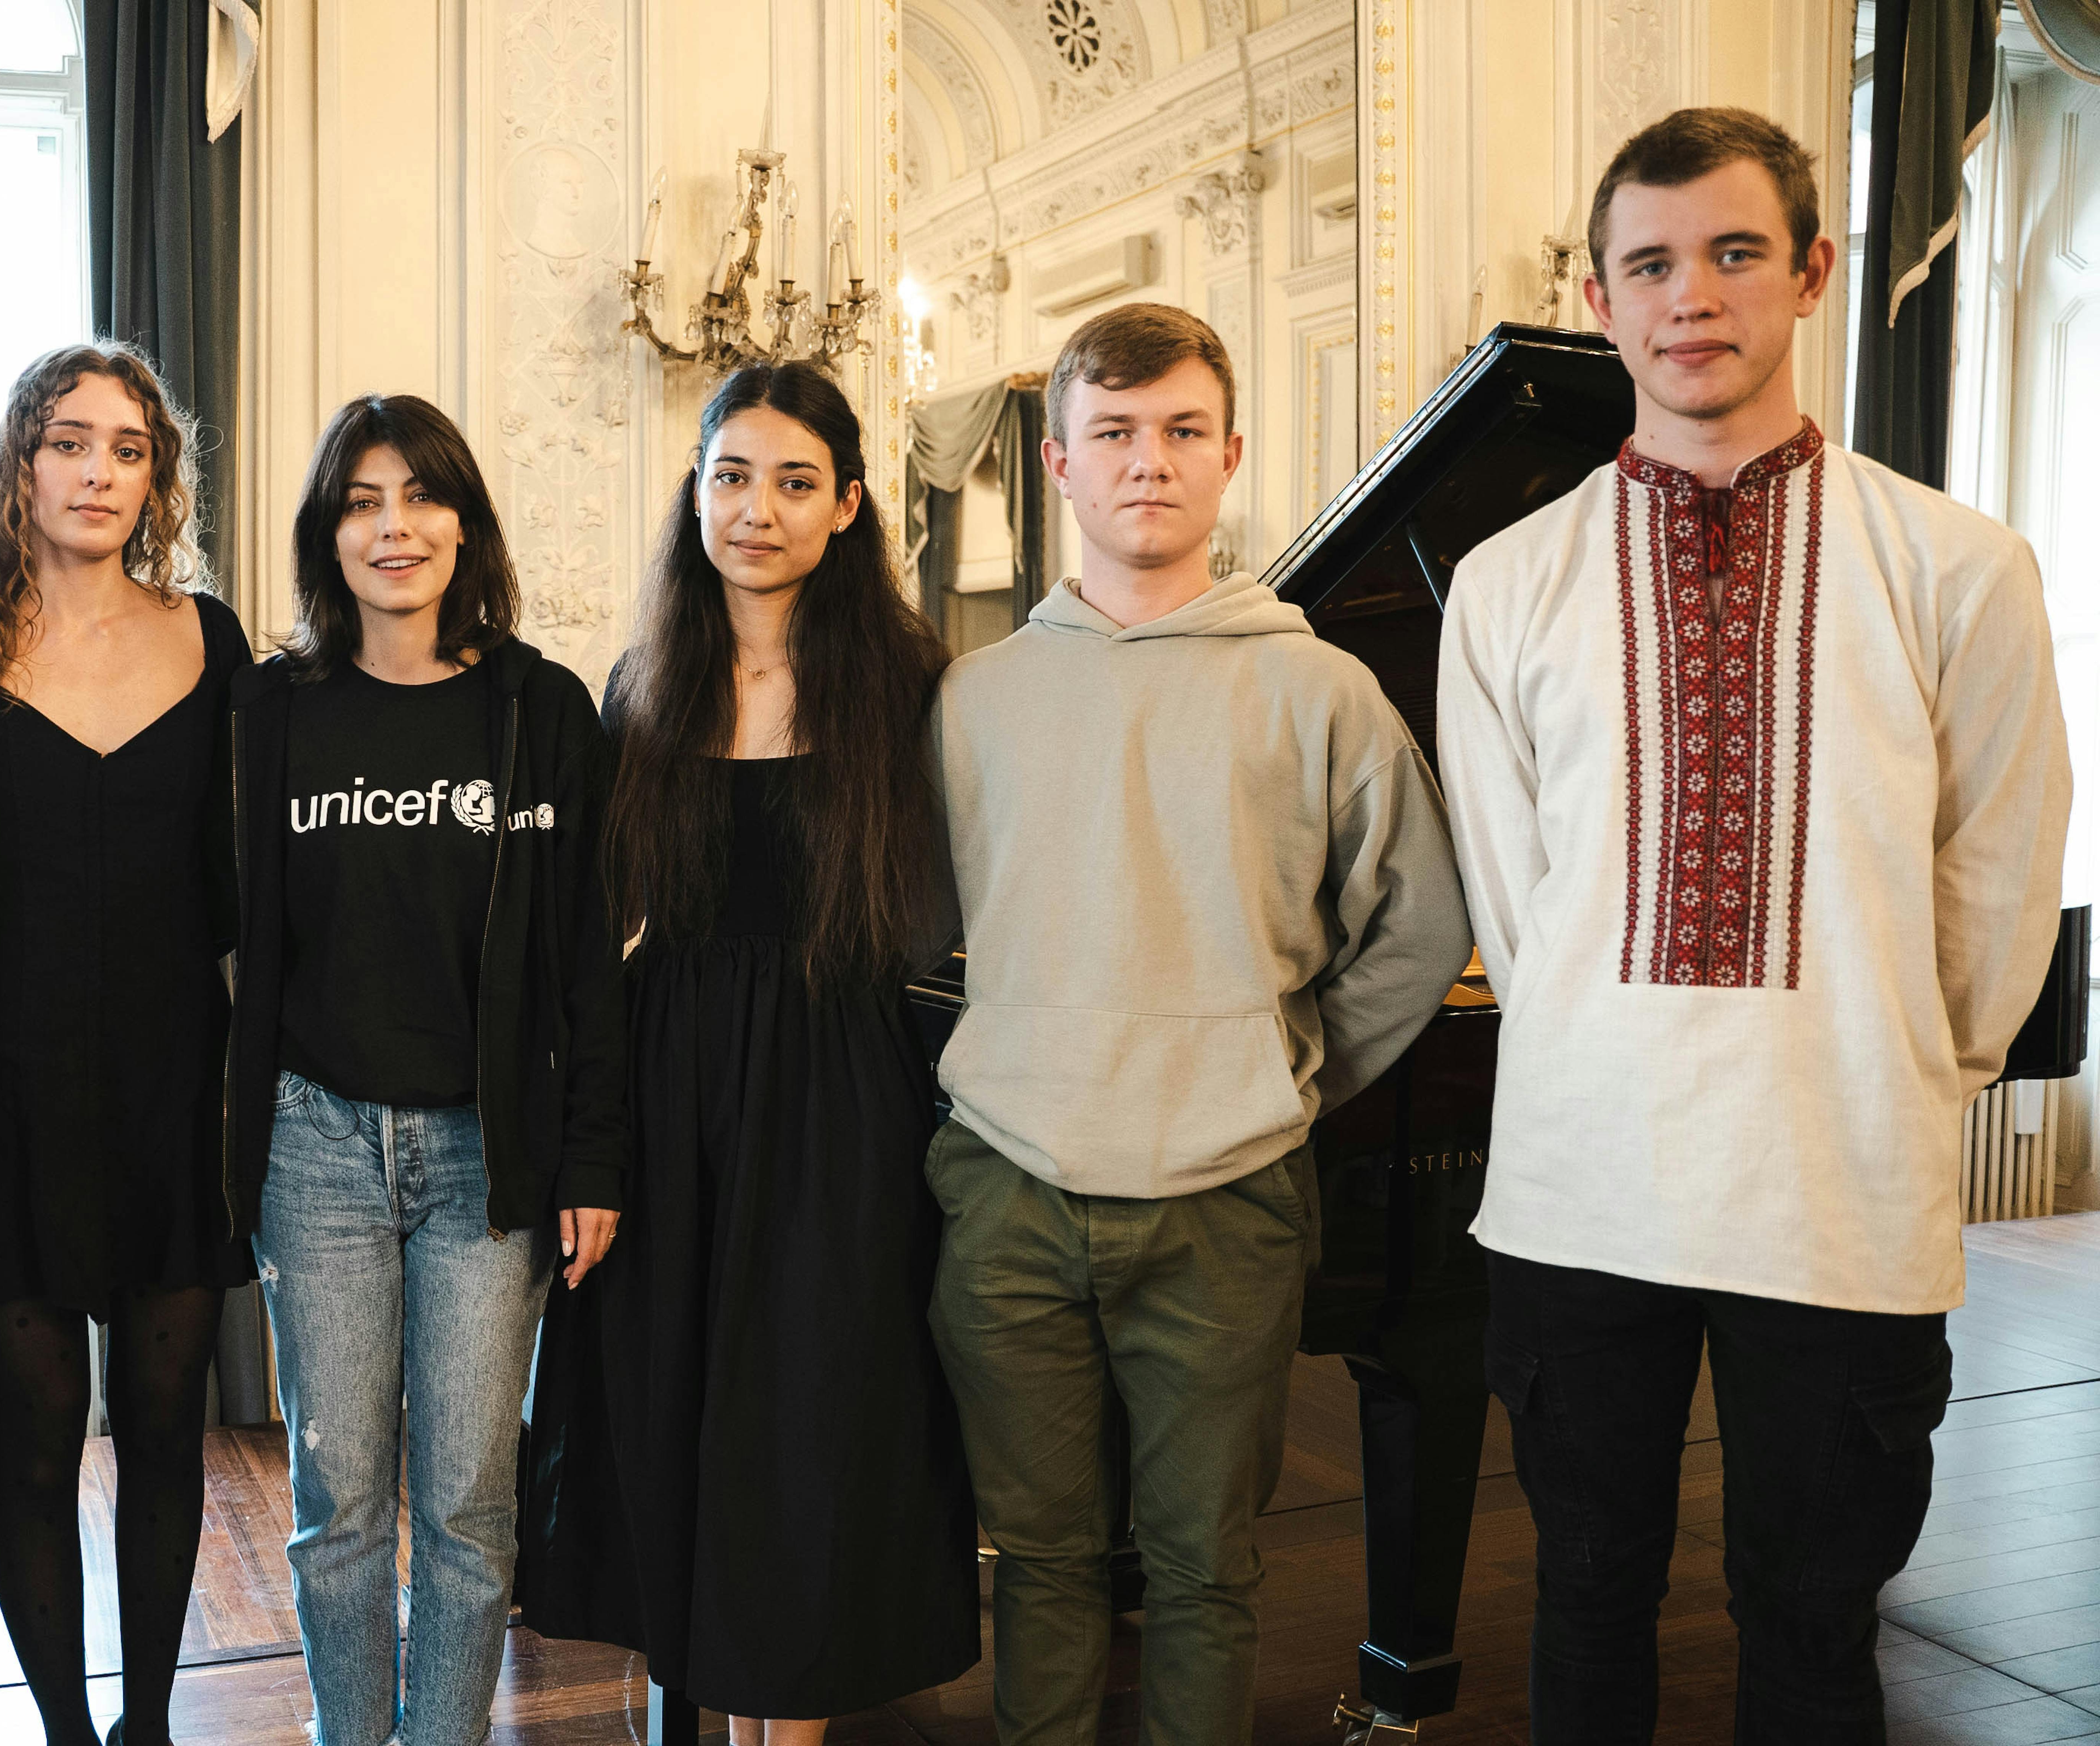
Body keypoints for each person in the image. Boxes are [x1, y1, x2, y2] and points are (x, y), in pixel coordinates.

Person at [1437, 108, 2070, 1745]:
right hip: (1582, 1187)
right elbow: (1517, 907)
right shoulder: (1506, 585)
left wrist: (1888, 1073)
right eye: (1647, 264)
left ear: (1808, 272)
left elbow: (1994, 878)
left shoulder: (1956, 567)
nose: (1688, 298)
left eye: (1729, 253)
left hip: (1839, 1187)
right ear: (1596, 296)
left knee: (1808, 1627)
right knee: (1581, 1594)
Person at [927, 303, 1473, 1746]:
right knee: (1037, 1567)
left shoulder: (1320, 688)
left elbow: (1419, 926)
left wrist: (1286, 1071)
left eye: (1180, 433)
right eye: (1113, 434)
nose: (1147, 464)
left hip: (1229, 1192)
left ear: (1230, 457)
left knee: (1206, 1572)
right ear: (1058, 462)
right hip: (1010, 1189)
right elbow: (915, 933)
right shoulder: (972, 699)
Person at [520, 363, 977, 1740]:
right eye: (731, 477)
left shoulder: (912, 682)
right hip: (671, 1086)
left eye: (792, 483)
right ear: (697, 492)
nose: (756, 510)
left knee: (808, 1420)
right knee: (669, 1413)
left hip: (843, 1090)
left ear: (847, 506)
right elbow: (599, 927)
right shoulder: (645, 676)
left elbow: (965, 903)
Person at [224, 392, 628, 1746]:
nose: (394, 528)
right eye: (362, 501)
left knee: (467, 1502)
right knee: (340, 1505)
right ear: (327, 534)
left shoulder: (543, 711)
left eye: (421, 497)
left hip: (485, 1154)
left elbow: (588, 966)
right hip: (314, 1141)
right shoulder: (273, 711)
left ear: (466, 521)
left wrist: (592, 1158)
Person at [0, 343, 253, 1746]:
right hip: (12, 1098)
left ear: (156, 478)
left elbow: (257, 889)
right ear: (22, 461)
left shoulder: (217, 641)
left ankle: (149, 1730)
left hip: (180, 1092)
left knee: (170, 1428)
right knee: (40, 1439)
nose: (100, 472)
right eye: (72, 443)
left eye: (129, 449)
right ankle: (67, 1732)